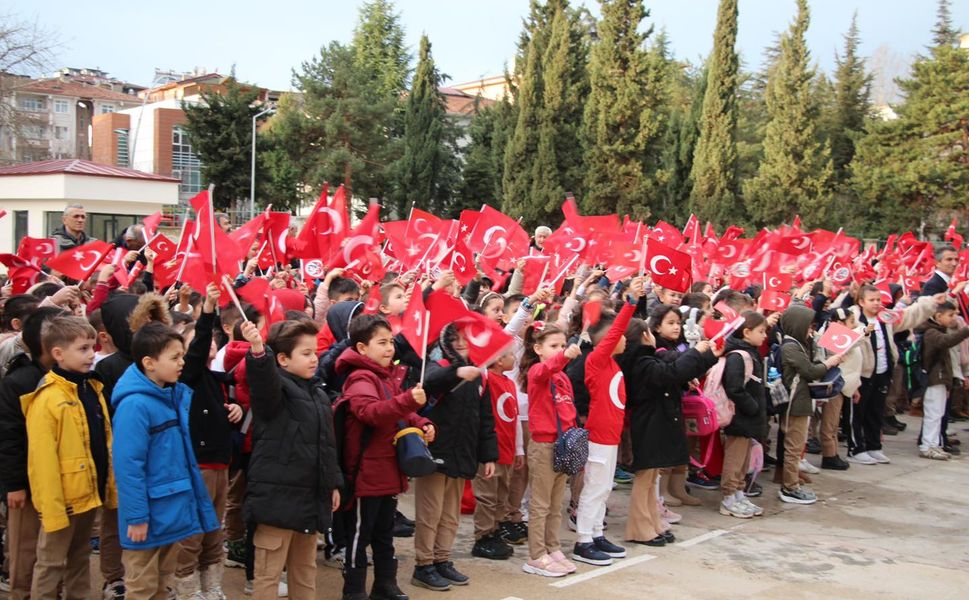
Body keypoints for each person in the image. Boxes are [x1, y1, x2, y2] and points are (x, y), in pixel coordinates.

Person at [111, 322, 219, 600]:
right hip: (148, 514)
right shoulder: (135, 405)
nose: (182, 363)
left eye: (182, 356)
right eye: (175, 357)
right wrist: (136, 517)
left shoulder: (169, 394)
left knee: (162, 584)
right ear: (149, 363)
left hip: (169, 509)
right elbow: (128, 466)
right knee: (142, 587)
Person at [242, 319, 343, 600]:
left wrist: (333, 483)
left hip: (309, 501)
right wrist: (258, 351)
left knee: (305, 573)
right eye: (306, 353)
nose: (314, 359)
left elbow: (327, 445)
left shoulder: (319, 395)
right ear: (283, 359)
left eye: (315, 352)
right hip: (276, 501)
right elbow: (263, 383)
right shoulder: (276, 393)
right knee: (268, 576)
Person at [335, 314, 433, 600]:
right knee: (360, 535)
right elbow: (371, 413)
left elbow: (400, 411)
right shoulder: (360, 377)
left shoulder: (385, 376)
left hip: (388, 469)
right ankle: (354, 590)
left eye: (390, 341)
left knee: (384, 533)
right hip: (366, 473)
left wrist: (422, 422)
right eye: (382, 342)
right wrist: (408, 401)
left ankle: (384, 584)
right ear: (362, 348)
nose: (390, 348)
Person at [22, 316, 116, 600]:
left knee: (79, 557)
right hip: (62, 499)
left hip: (88, 492)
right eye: (83, 348)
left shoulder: (92, 388)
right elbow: (42, 461)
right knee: (51, 563)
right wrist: (51, 508)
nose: (91, 354)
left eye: (92, 347)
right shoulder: (47, 398)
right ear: (58, 353)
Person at [411, 325, 497, 591]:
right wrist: (457, 371)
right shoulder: (437, 366)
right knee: (430, 513)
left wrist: (488, 456)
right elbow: (430, 380)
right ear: (445, 343)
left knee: (450, 515)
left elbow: (485, 419)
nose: (460, 343)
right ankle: (423, 565)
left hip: (463, 455)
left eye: (465, 339)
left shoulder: (480, 376)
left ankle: (442, 559)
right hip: (435, 454)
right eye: (454, 339)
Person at [619, 318, 717, 546]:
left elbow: (675, 371)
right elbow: (671, 372)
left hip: (655, 421)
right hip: (649, 423)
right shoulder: (640, 362)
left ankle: (651, 522)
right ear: (645, 335)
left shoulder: (646, 359)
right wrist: (698, 353)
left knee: (651, 477)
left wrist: (707, 356)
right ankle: (639, 528)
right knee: (645, 478)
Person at [173, 284, 242, 599]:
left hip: (220, 464)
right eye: (201, 340)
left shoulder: (217, 379)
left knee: (214, 530)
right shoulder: (188, 377)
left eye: (213, 338)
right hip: (197, 466)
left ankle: (211, 585)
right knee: (193, 532)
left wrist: (236, 409)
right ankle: (186, 588)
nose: (209, 342)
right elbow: (198, 349)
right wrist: (208, 312)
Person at [572, 279, 642, 566]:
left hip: (611, 435)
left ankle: (597, 533)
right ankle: (583, 541)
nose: (625, 339)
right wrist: (631, 303)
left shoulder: (612, 363)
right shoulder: (596, 360)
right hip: (599, 435)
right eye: (620, 336)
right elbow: (615, 332)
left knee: (604, 488)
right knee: (594, 488)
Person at [0, 306, 65, 600]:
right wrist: (14, 485)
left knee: (53, 552)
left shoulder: (68, 377)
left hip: (58, 479)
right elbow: (9, 437)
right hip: (26, 484)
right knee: (25, 550)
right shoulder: (20, 381)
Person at [849, 285, 944, 465]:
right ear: (861, 302)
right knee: (859, 413)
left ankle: (874, 447)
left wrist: (930, 302)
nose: (876, 303)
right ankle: (856, 449)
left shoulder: (885, 317)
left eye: (878, 299)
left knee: (876, 411)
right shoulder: (853, 318)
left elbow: (909, 316)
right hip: (862, 375)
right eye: (872, 300)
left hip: (882, 371)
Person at [519, 323, 580, 578]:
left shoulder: (563, 377)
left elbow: (569, 411)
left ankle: (552, 547)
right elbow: (546, 369)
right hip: (543, 446)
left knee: (556, 504)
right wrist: (564, 356)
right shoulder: (537, 372)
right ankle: (536, 555)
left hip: (563, 445)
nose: (560, 349)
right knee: (541, 504)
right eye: (553, 346)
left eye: (562, 345)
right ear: (538, 349)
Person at [777, 305, 843, 504]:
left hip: (801, 400)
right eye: (808, 326)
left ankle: (792, 482)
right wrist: (829, 363)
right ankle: (789, 487)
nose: (811, 330)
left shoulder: (799, 344)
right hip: (795, 403)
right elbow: (810, 370)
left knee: (796, 446)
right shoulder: (790, 347)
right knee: (794, 447)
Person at [470, 349, 522, 561]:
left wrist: (519, 449)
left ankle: (495, 530)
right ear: (499, 360)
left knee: (502, 494)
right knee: (487, 496)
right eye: (510, 355)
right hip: (490, 449)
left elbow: (515, 417)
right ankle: (482, 536)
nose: (514, 358)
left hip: (508, 448)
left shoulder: (510, 383)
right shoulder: (487, 379)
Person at [719, 311, 768, 518]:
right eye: (761, 331)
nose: (764, 335)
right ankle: (729, 497)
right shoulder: (738, 356)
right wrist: (752, 407)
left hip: (748, 418)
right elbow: (734, 388)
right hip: (739, 417)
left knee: (744, 460)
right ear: (746, 332)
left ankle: (739, 493)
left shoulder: (750, 353)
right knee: (735, 458)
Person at [915, 301, 969, 460]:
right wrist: (966, 330)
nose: (953, 318)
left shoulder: (937, 330)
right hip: (933, 378)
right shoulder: (931, 332)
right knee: (933, 413)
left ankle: (934, 444)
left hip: (940, 378)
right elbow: (946, 341)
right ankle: (927, 446)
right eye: (950, 315)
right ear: (938, 316)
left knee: (938, 413)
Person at [820, 309, 865, 471]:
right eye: (851, 322)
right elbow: (853, 342)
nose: (855, 325)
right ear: (839, 323)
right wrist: (864, 331)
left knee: (834, 422)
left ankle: (833, 453)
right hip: (833, 384)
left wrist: (855, 386)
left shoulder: (844, 337)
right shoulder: (832, 338)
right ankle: (829, 455)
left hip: (844, 384)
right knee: (829, 423)